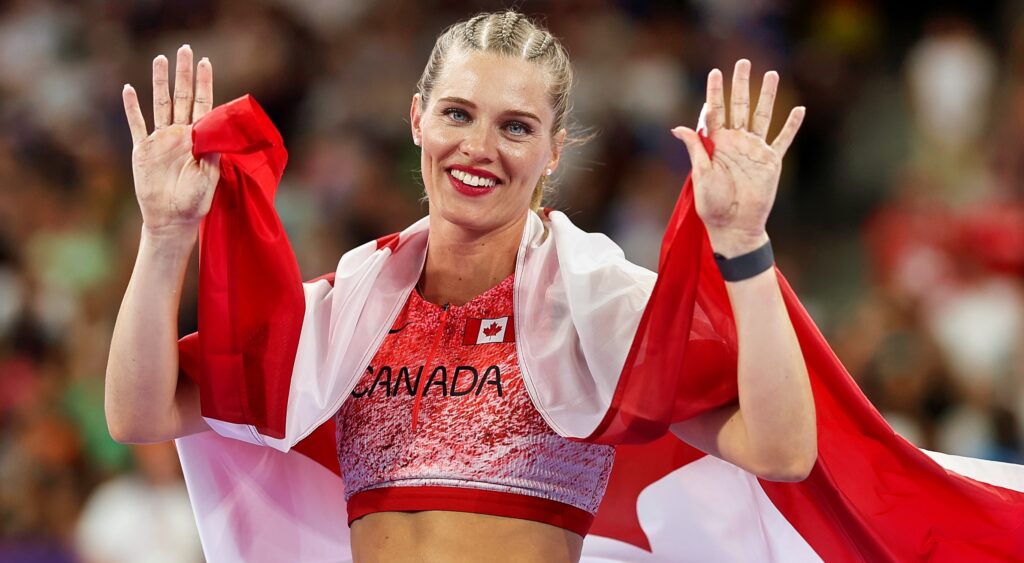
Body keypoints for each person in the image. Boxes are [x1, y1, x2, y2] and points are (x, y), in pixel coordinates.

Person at [105, 11, 818, 562]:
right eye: (457, 113)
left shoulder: (598, 308)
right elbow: (140, 414)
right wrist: (167, 236)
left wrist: (744, 244)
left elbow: (783, 450)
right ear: (418, 118)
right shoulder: (345, 312)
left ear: (553, 151)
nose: (478, 147)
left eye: (516, 126)